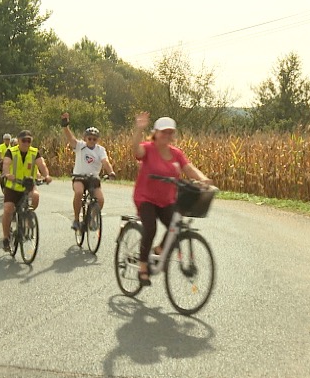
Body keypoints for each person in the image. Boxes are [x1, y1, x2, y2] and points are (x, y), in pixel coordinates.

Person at [131, 112, 212, 286]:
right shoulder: (149, 148)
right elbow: (136, 151)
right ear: (156, 133)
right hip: (145, 197)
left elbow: (188, 168)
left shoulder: (176, 153)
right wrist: (138, 130)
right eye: (163, 132)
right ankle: (143, 268)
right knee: (150, 227)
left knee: (176, 226)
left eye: (170, 132)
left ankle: (159, 249)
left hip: (166, 199)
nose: (167, 136)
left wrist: (202, 178)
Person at [61, 112, 116, 230]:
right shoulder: (80, 146)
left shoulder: (100, 150)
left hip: (93, 178)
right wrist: (65, 125)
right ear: (85, 138)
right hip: (79, 177)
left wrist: (111, 172)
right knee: (79, 192)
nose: (91, 140)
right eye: (89, 138)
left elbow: (105, 161)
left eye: (94, 139)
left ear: (97, 140)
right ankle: (76, 219)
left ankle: (91, 217)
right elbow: (70, 137)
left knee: (100, 199)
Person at [1, 130, 52, 252]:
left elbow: (42, 165)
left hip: (28, 185)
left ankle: (28, 216)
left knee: (35, 197)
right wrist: (7, 174)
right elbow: (6, 164)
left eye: (29, 140)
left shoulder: (34, 152)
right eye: (24, 140)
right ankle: (6, 237)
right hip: (13, 186)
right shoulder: (11, 151)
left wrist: (47, 175)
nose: (26, 143)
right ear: (18, 141)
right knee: (8, 209)